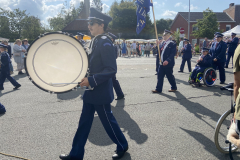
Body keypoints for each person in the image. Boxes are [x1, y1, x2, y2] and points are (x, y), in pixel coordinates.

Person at [59, 7, 128, 160]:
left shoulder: (105, 43)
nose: (89, 26)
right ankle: (76, 154)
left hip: (100, 92)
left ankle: (122, 145)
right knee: (83, 124)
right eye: (89, 23)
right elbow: (92, 65)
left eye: (92, 23)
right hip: (91, 91)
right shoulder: (95, 41)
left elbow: (111, 69)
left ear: (101, 25)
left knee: (108, 123)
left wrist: (91, 80)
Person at [108, 32, 125, 100]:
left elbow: (114, 56)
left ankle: (120, 94)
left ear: (112, 39)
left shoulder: (112, 46)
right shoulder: (111, 45)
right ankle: (119, 94)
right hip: (110, 66)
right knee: (111, 81)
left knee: (113, 80)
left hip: (110, 66)